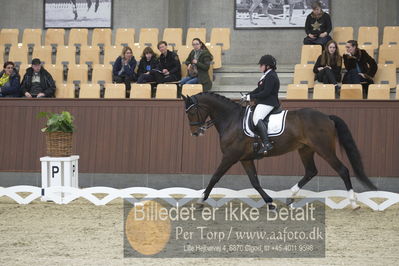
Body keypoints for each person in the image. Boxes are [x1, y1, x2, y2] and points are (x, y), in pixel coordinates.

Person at [241, 55, 280, 155]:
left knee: (256, 118)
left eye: (261, 65)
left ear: (268, 66)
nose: (260, 67)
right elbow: (258, 90)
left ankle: (266, 143)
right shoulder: (266, 75)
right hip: (264, 102)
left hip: (269, 102)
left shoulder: (271, 76)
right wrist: (248, 95)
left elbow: (266, 92)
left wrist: (251, 98)